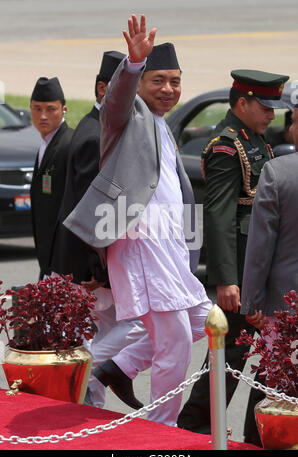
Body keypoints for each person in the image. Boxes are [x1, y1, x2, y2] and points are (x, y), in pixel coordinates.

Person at [64, 14, 212, 427]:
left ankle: (115, 367)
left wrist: (189, 243)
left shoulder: (164, 126)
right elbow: (115, 102)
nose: (168, 89)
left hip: (171, 248)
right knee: (177, 341)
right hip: (141, 247)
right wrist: (131, 65)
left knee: (204, 322)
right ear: (142, 84)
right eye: (158, 80)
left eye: (175, 81)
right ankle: (163, 427)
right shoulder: (125, 119)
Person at [177, 69, 289, 445]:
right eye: (265, 106)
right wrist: (226, 279)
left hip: (258, 271)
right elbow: (220, 216)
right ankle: (194, 427)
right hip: (240, 274)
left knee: (271, 362)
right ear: (242, 103)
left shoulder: (255, 140)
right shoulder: (226, 147)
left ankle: (255, 434)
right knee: (230, 360)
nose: (272, 114)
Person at [49, 51, 146, 409]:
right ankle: (90, 371)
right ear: (104, 88)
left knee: (102, 331)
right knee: (138, 325)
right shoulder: (94, 136)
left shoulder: (96, 128)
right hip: (91, 266)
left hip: (90, 264)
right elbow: (90, 211)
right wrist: (96, 269)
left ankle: (91, 407)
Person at [239, 106, 298, 437]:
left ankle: (257, 441)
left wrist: (252, 303)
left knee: (274, 386)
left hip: (283, 307)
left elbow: (259, 248)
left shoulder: (277, 172)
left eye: (292, 121)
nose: (289, 129)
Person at [30, 77, 73, 279]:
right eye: (37, 109)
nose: (43, 116)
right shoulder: (46, 143)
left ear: (64, 109)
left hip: (63, 255)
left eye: (50, 109)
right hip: (47, 252)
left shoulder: (69, 144)